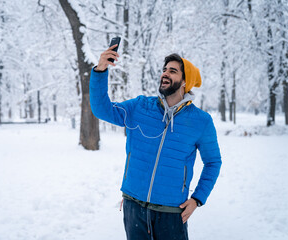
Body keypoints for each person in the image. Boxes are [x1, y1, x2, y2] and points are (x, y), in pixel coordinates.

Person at [89, 44, 222, 240]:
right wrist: (100, 70)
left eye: (173, 71)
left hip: (171, 212)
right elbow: (102, 110)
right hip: (134, 206)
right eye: (164, 70)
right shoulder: (140, 107)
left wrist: (197, 199)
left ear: (186, 81)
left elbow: (213, 162)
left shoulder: (200, 121)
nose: (165, 74)